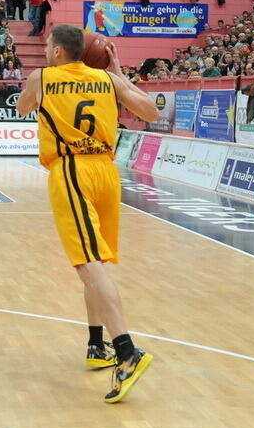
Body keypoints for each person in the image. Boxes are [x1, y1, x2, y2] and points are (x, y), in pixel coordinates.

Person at [16, 24, 159, 403]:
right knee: (95, 263)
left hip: (72, 171)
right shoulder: (107, 80)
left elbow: (22, 106)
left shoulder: (41, 77)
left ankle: (127, 352)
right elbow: (151, 111)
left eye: (48, 45)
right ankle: (97, 344)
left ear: (60, 52)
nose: (46, 50)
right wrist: (116, 74)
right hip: (107, 173)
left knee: (86, 264)